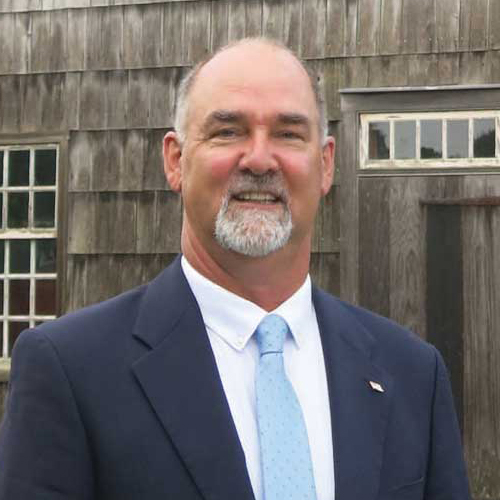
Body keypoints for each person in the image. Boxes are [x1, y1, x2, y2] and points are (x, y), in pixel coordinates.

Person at [0, 38, 470, 500]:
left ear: (325, 165)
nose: (260, 159)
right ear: (176, 160)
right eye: (228, 131)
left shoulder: (412, 374)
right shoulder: (70, 371)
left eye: (288, 133)